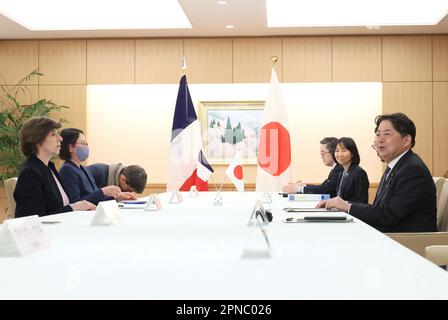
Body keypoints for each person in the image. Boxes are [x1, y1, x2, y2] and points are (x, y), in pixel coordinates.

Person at [319, 113, 437, 233]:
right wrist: (344, 204)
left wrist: (348, 207)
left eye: (386, 134)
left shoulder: (412, 169)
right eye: (378, 134)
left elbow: (389, 215)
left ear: (406, 140)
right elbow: (379, 209)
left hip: (407, 242)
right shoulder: (394, 166)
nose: (380, 140)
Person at [14, 117, 96, 217]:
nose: (60, 138)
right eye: (53, 134)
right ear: (37, 140)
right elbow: (37, 218)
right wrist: (74, 207)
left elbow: (57, 208)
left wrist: (77, 207)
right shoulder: (30, 173)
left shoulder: (49, 168)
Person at [58, 128, 136, 205]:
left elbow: (94, 199)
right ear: (70, 147)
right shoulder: (67, 169)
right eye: (82, 144)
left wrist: (117, 196)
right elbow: (76, 203)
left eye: (86, 144)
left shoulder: (82, 168)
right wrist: (103, 191)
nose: (86, 147)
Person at [333, 137, 369, 203]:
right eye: (337, 151)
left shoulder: (359, 172)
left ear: (352, 153)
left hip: (352, 212)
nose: (340, 154)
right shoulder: (342, 172)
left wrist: (344, 204)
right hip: (341, 211)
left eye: (344, 150)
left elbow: (362, 202)